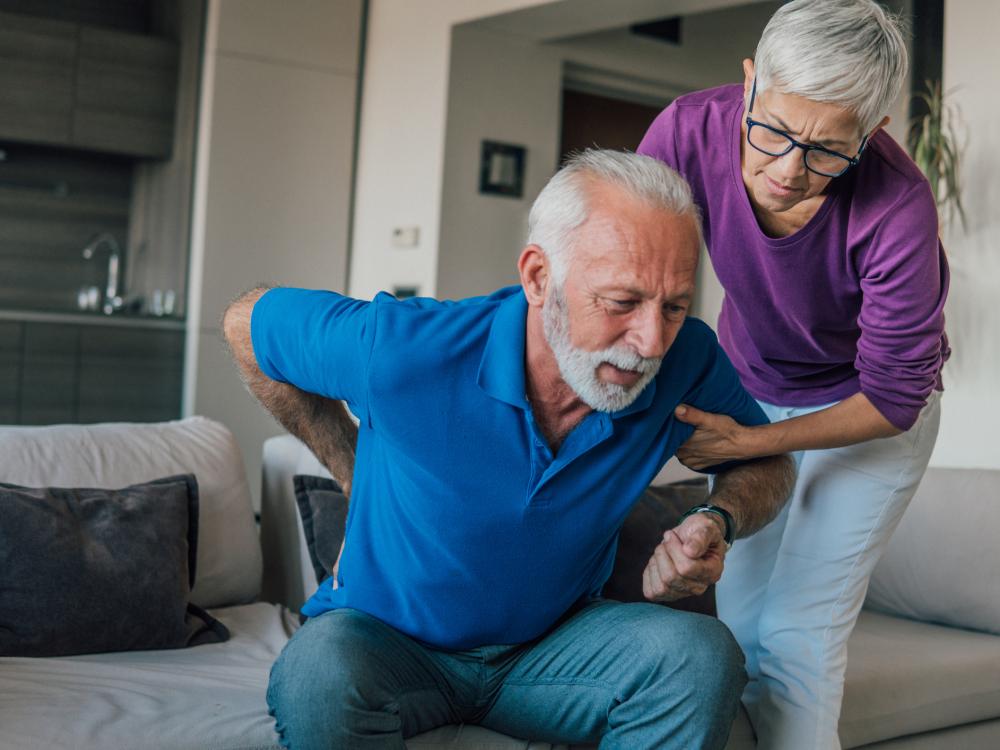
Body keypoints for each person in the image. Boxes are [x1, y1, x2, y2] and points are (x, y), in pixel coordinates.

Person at [223, 149, 796, 750]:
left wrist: (718, 519)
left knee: (700, 657)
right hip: (383, 643)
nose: (651, 341)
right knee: (318, 674)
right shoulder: (406, 349)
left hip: (553, 651)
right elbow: (245, 325)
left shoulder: (686, 358)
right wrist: (350, 467)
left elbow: (765, 457)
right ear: (539, 278)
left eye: (675, 306)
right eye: (622, 302)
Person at [637, 2, 949, 748]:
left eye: (826, 151)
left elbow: (895, 396)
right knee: (739, 626)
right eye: (772, 130)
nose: (787, 170)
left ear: (869, 135)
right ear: (750, 83)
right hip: (755, 385)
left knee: (797, 630)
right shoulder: (687, 131)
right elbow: (622, 253)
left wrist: (746, 444)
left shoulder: (896, 206)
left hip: (865, 415)